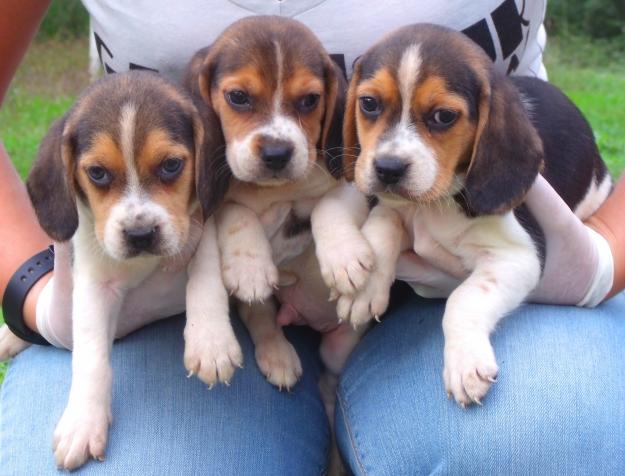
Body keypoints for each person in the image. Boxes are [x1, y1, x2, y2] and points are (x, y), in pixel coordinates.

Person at [1, 0, 623, 474]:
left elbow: (334, 198)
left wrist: (603, 257)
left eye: (307, 104)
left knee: (547, 431)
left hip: (461, 264)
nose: (276, 134)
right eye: (240, 99)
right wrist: (29, 288)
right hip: (176, 294)